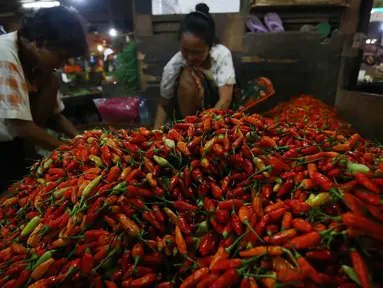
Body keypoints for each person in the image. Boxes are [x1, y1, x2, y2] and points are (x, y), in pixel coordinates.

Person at [0, 6, 88, 190]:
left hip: (17, 144)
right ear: (39, 43)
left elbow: (55, 116)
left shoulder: (38, 64)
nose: (63, 64)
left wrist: (84, 141)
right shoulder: (5, 55)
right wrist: (70, 151)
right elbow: (21, 126)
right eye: (62, 56)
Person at [154, 3, 236, 128]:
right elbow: (163, 105)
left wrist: (204, 128)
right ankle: (188, 128)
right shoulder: (173, 66)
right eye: (185, 50)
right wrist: (155, 134)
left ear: (210, 46)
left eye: (197, 52)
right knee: (187, 75)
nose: (190, 57)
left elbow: (225, 99)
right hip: (186, 119)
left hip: (214, 116)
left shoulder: (221, 54)